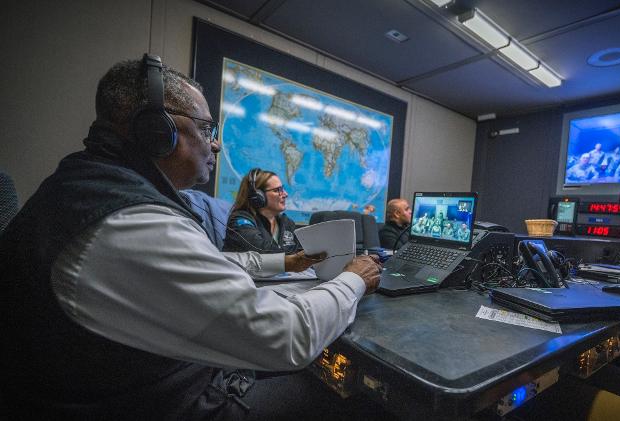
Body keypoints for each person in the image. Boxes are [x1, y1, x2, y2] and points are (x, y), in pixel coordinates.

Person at [0, 55, 382, 419]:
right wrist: (354, 279)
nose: (215, 144)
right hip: (161, 403)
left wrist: (286, 262)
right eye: (206, 129)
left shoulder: (89, 189)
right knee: (343, 393)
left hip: (139, 381)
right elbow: (289, 337)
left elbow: (203, 261)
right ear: (157, 130)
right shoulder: (134, 223)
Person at [222, 168, 299, 254]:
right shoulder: (239, 221)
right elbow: (261, 251)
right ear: (258, 196)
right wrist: (297, 258)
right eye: (277, 190)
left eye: (282, 189)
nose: (285, 194)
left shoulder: (287, 223)